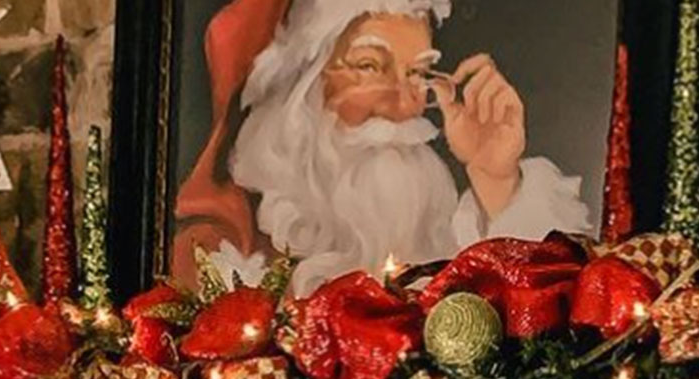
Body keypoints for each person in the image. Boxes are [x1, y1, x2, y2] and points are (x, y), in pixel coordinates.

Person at [175, 0, 593, 291]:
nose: (403, 104)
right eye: (370, 66)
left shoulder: (437, 223)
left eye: (418, 73)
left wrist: (496, 178)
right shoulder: (220, 248)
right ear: (300, 86)